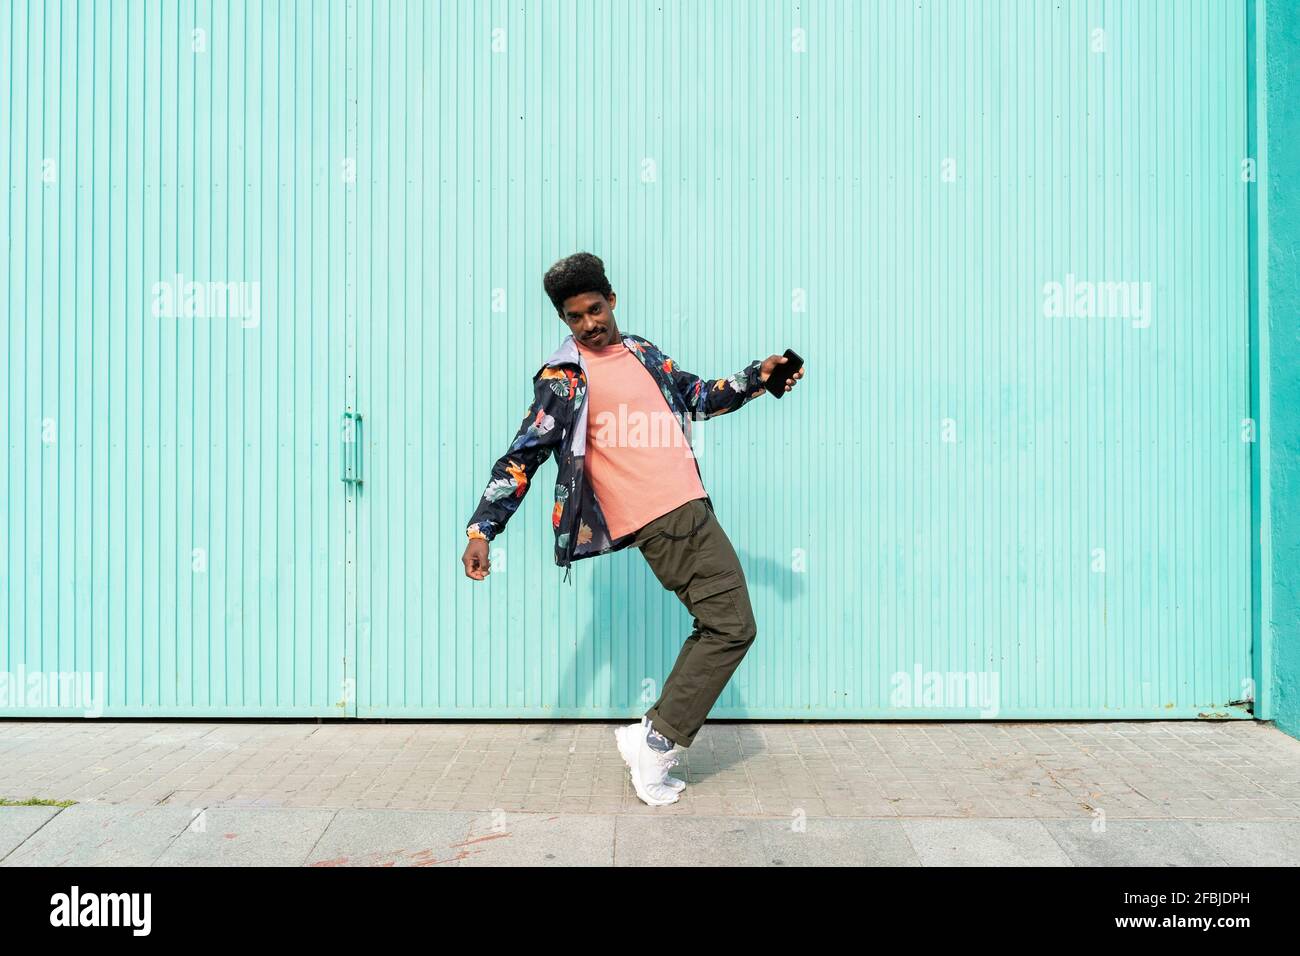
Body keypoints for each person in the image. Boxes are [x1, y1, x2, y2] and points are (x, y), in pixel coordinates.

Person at [461, 252, 805, 805]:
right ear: (565, 321)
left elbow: (696, 396)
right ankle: (655, 739)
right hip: (664, 519)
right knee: (731, 625)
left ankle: (653, 735)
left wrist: (758, 379)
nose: (589, 324)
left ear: (611, 299)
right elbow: (521, 457)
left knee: (722, 625)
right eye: (575, 318)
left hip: (689, 508)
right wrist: (483, 529)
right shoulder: (563, 380)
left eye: (595, 309)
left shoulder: (642, 352)